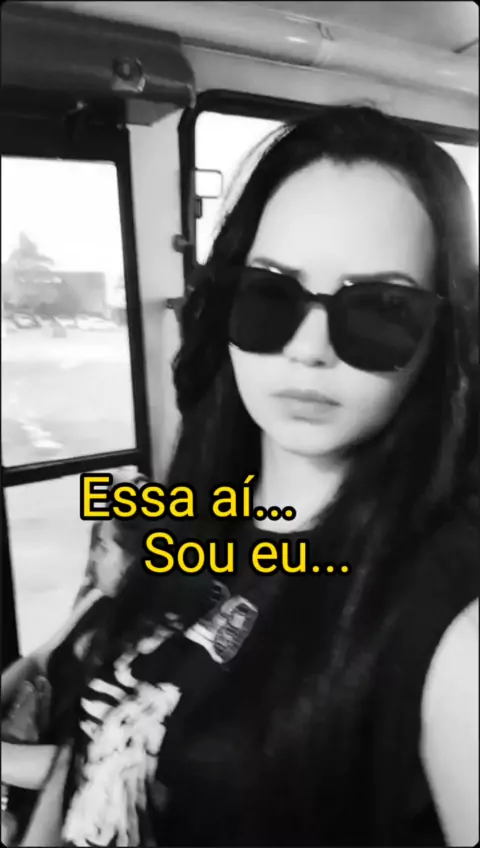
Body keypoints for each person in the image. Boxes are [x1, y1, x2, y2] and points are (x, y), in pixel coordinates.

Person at [2, 104, 478, 847]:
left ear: (439, 338)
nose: (309, 348)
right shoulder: (182, 517)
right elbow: (97, 740)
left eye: (381, 309)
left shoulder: (449, 626)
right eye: (272, 295)